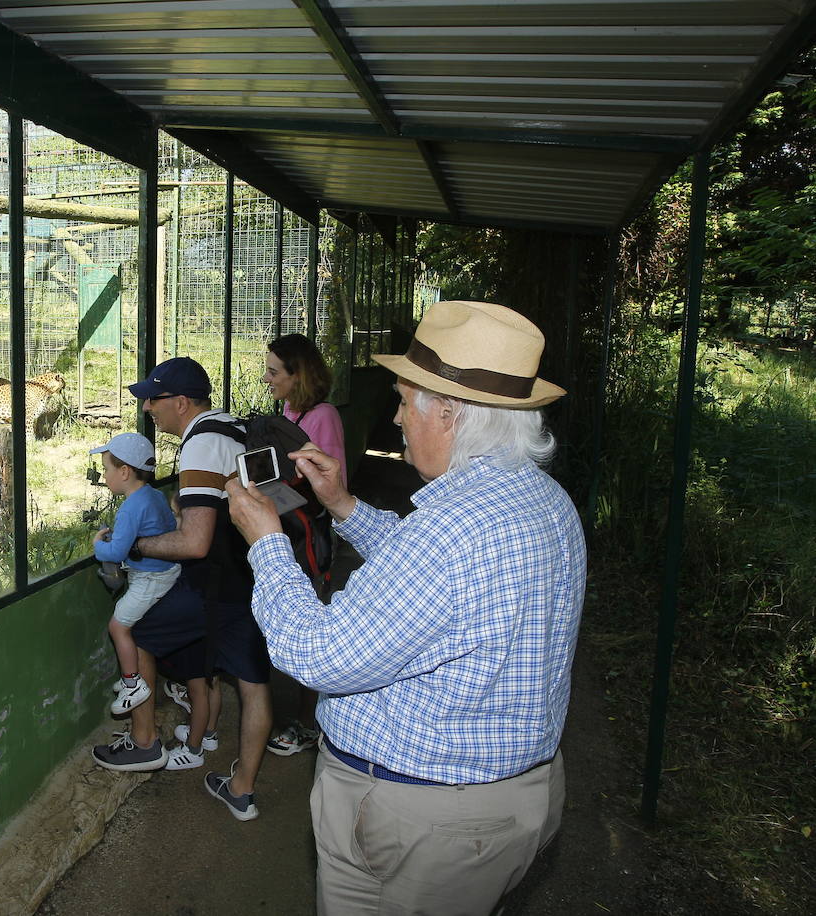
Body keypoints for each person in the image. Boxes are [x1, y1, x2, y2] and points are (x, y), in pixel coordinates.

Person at [226, 301, 586, 914]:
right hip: (508, 805)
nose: (395, 419)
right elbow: (439, 586)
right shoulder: (543, 500)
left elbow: (317, 655)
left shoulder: (449, 530)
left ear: (448, 414)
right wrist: (342, 504)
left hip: (423, 823)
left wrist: (266, 545)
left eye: (402, 401)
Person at [90, 356, 273, 817]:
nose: (149, 407)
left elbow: (194, 543)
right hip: (256, 576)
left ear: (183, 402)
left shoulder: (199, 444)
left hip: (219, 584)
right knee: (253, 686)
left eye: (155, 398)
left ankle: (145, 741)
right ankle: (241, 790)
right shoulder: (229, 426)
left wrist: (135, 547)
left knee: (138, 632)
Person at [261, 333, 346, 757]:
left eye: (274, 372)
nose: (266, 378)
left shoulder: (321, 416)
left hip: (307, 535)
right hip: (284, 529)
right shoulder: (289, 412)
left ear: (299, 375)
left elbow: (329, 485)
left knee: (312, 622)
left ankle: (311, 722)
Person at [88, 432, 181, 716]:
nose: (104, 476)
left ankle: (133, 684)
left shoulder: (131, 506)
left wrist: (97, 547)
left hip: (152, 578)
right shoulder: (153, 495)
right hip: (168, 569)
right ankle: (132, 680)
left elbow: (116, 553)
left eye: (106, 469)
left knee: (117, 627)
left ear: (125, 471)